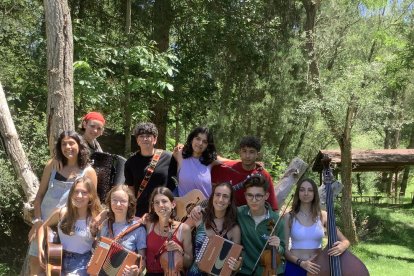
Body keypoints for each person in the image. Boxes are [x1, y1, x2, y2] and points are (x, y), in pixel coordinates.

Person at [28, 130, 97, 275]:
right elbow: (39, 196)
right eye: (64, 144)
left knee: (56, 270)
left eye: (71, 143)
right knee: (36, 265)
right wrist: (37, 221)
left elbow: (92, 201)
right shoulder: (52, 165)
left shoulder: (88, 172)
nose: (68, 147)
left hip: (67, 229)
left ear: (80, 145)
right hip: (44, 225)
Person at [283, 178, 350, 276]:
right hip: (295, 265)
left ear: (315, 193)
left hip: (318, 267)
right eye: (302, 190)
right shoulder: (288, 217)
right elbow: (284, 249)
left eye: (310, 190)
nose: (306, 193)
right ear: (298, 193)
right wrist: (301, 263)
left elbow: (345, 241)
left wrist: (342, 246)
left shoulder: (323, 215)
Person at [37, 175, 102, 275]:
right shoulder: (62, 212)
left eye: (84, 192)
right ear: (71, 194)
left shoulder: (95, 220)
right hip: (57, 259)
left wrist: (104, 213)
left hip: (82, 264)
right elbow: (43, 227)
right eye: (76, 191)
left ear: (90, 196)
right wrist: (40, 248)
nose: (79, 196)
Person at [186, 182, 242, 276]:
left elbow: (233, 266)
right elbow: (180, 231)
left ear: (229, 201)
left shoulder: (234, 229)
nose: (220, 199)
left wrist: (236, 266)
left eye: (225, 196)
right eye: (217, 195)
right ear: (212, 197)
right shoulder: (200, 216)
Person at [124, 122, 177, 217]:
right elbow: (130, 189)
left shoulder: (169, 158)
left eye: (148, 136)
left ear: (155, 139)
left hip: (164, 209)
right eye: (141, 136)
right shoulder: (130, 162)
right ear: (137, 140)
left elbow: (181, 179)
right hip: (141, 212)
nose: (145, 139)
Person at [211, 136, 278, 210]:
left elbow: (273, 207)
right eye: (244, 151)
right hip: (226, 216)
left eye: (251, 152)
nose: (247, 156)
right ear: (240, 152)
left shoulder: (264, 175)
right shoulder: (226, 168)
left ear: (257, 155)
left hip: (250, 219)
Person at [237, 174, 285, 276]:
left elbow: (283, 249)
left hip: (269, 272)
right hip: (245, 271)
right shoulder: (239, 213)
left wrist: (278, 246)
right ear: (245, 195)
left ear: (266, 196)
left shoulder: (277, 220)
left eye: (258, 196)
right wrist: (199, 209)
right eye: (250, 195)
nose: (254, 200)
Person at [98, 185, 146, 276]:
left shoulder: (138, 229)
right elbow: (97, 252)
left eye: (123, 201)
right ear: (109, 201)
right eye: (114, 200)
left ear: (129, 203)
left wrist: (135, 272)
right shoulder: (105, 225)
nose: (118, 204)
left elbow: (142, 262)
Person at [145, 187, 193, 276]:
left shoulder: (184, 229)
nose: (160, 205)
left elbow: (189, 262)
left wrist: (180, 250)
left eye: (164, 201)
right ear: (153, 207)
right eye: (156, 202)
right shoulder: (149, 224)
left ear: (173, 204)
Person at [173, 126, 218, 198]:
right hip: (183, 207)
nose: (200, 143)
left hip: (205, 207)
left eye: (205, 142)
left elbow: (229, 162)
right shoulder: (180, 154)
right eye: (198, 139)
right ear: (191, 139)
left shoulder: (211, 160)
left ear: (207, 145)